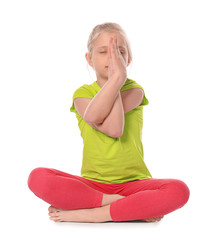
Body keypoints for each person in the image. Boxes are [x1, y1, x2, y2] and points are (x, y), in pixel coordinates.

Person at [27, 22, 190, 223]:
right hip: (91, 185)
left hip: (134, 183)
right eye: (104, 51)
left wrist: (118, 78)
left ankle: (95, 214)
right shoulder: (82, 94)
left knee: (178, 190)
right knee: (38, 177)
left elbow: (114, 129)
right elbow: (95, 117)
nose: (112, 58)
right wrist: (117, 77)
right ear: (89, 59)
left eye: (119, 51)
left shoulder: (135, 90)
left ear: (128, 59)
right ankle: (121, 204)